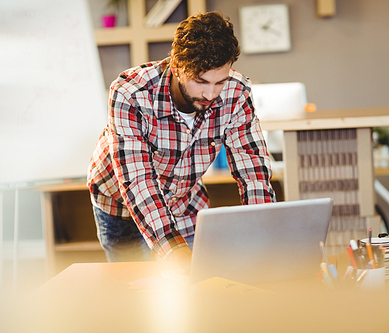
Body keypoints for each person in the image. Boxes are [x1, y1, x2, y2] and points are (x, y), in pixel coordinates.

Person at [87, 11, 276, 272]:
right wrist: (176, 255)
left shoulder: (236, 91)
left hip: (183, 201)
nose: (211, 94)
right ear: (176, 67)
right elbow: (139, 183)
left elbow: (252, 169)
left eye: (219, 81)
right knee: (134, 296)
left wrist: (265, 235)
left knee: (195, 286)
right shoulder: (131, 93)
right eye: (200, 81)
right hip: (120, 204)